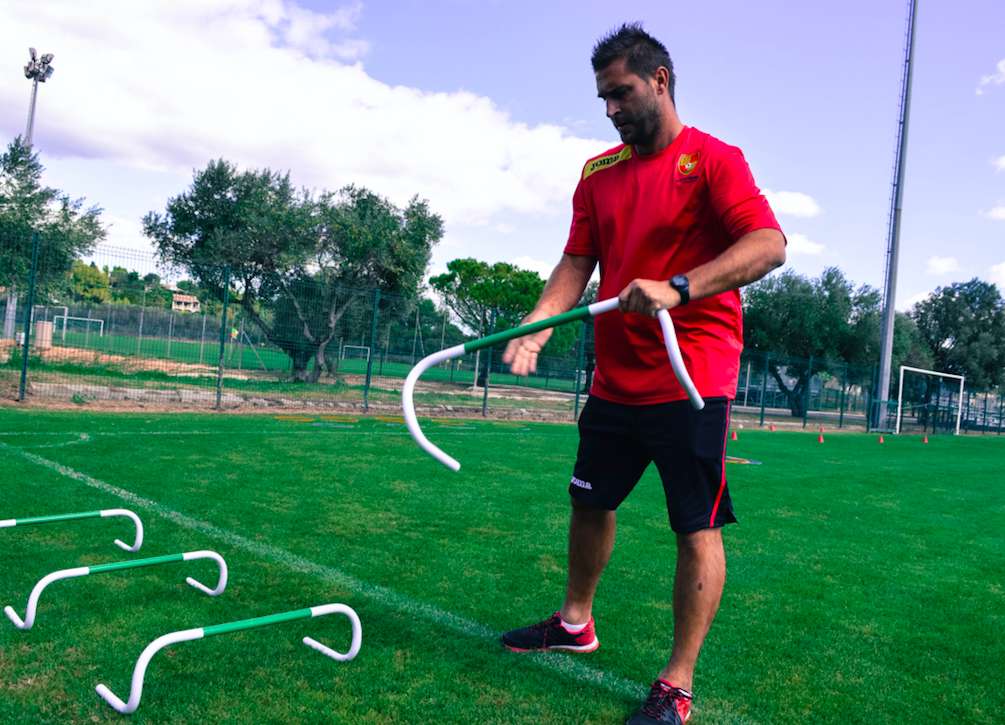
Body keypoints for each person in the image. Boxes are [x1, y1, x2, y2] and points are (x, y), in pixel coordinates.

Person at [499, 23, 786, 725]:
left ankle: (676, 683)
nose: (610, 109)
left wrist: (678, 287)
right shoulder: (598, 172)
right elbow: (577, 261)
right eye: (602, 97)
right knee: (589, 501)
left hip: (692, 377)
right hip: (615, 376)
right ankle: (575, 623)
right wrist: (540, 321)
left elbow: (768, 244)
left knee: (694, 525)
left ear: (660, 80)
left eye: (621, 93)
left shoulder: (713, 160)